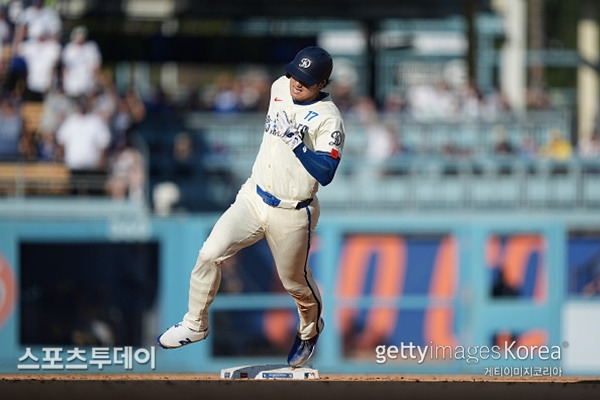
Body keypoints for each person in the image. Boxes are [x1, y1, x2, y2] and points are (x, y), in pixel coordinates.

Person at [157, 46, 346, 367]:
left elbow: (326, 173)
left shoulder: (329, 119)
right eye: (295, 74)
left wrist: (298, 144)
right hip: (254, 195)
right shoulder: (279, 87)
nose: (296, 82)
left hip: (292, 210)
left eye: (306, 79)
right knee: (209, 254)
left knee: (296, 284)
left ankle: (310, 329)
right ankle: (195, 323)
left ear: (322, 82)